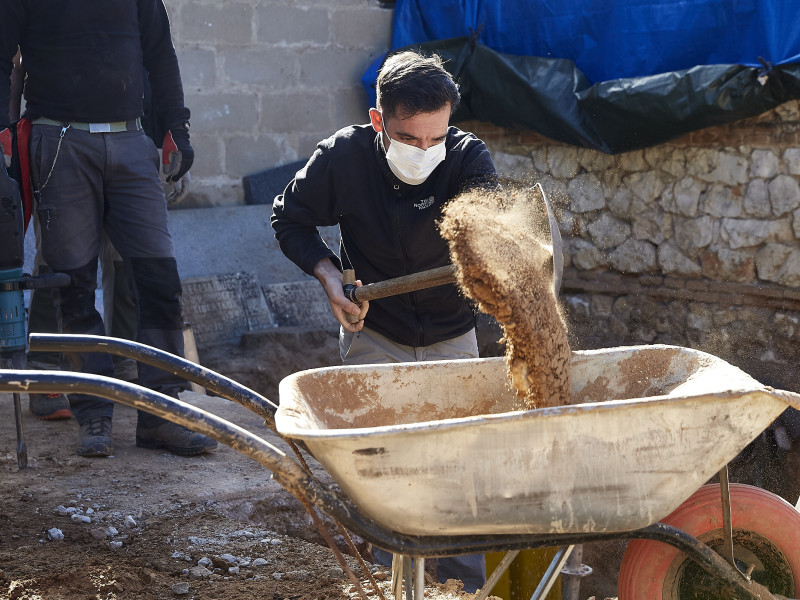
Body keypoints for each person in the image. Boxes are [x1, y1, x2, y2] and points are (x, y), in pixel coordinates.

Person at [271, 49, 497, 593]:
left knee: (457, 473)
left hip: (450, 334)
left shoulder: (467, 160)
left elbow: (494, 227)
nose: (425, 151)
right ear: (379, 121)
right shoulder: (344, 158)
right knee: (378, 472)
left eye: (435, 138)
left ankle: (463, 590)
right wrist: (329, 277)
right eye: (409, 138)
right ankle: (383, 585)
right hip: (375, 333)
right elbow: (290, 218)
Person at [0, 1, 216, 458]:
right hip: (59, 141)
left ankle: (161, 413)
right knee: (73, 284)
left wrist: (176, 125)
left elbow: (160, 53)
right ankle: (94, 415)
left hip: (131, 141)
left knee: (159, 280)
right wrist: (2, 132)